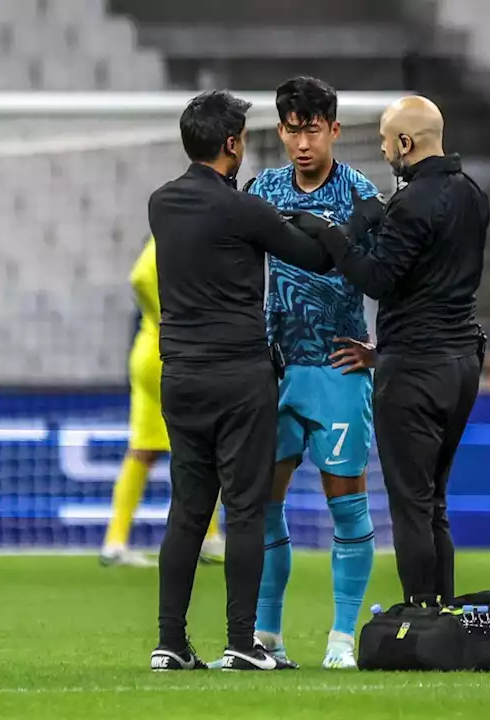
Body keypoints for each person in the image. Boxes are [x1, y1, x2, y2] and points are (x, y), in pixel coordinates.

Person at [147, 90, 336, 672]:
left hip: (179, 374)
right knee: (246, 511)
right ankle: (242, 642)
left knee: (187, 511)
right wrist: (331, 225)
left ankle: (169, 643)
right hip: (238, 375)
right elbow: (319, 259)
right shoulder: (244, 208)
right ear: (231, 145)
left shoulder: (161, 203)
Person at [315, 95, 488, 607]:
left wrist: (335, 239)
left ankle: (421, 616)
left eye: (387, 142)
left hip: (415, 369)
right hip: (461, 364)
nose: (385, 151)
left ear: (406, 144)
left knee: (411, 503)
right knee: (434, 502)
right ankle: (445, 615)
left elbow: (378, 280)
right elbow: (434, 283)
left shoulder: (412, 202)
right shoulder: (473, 194)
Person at [243, 76, 381, 670]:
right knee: (263, 506)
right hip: (275, 368)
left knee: (346, 506)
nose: (303, 142)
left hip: (337, 367)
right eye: (293, 129)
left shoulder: (361, 194)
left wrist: (383, 348)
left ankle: (341, 638)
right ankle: (266, 637)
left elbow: (395, 275)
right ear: (281, 131)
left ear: (333, 130)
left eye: (313, 129)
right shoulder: (262, 189)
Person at [99, 235, 225, 569]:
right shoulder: (171, 239)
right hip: (172, 353)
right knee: (201, 444)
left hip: (148, 350)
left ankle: (115, 542)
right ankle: (208, 537)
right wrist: (165, 315)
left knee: (144, 447)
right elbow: (139, 277)